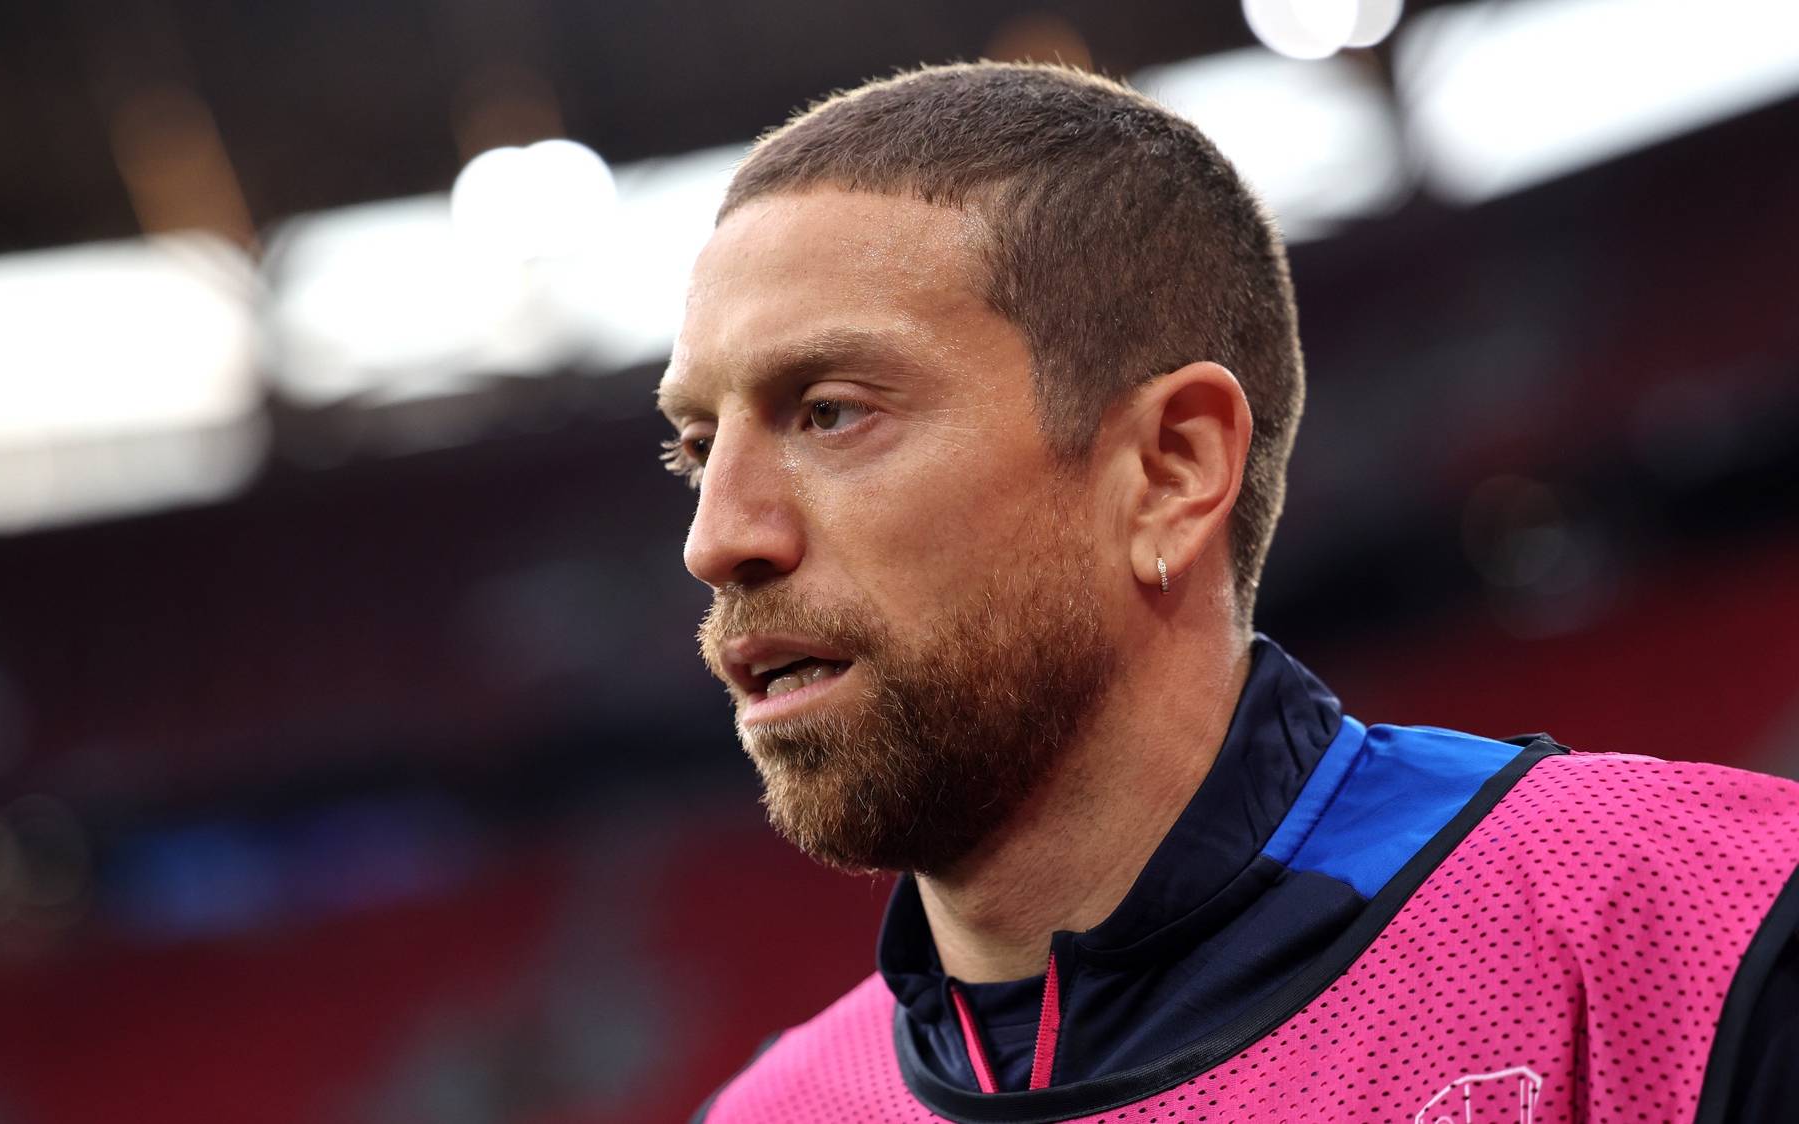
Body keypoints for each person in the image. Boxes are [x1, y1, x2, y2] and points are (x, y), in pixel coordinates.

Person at [653, 62, 1799, 1123]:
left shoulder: (1694, 932)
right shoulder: (776, 1109)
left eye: (830, 411)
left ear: (1169, 470)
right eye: (697, 449)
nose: (718, 538)